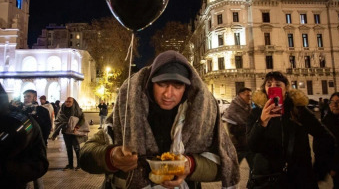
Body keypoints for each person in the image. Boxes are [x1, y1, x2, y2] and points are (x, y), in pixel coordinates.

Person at [80, 50, 240, 188]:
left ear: (186, 88)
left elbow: (226, 163)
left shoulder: (202, 118)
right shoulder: (127, 112)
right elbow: (85, 154)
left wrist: (190, 166)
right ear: (151, 84)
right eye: (162, 84)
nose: (169, 94)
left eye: (177, 86)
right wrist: (111, 156)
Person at [246, 71, 335, 189]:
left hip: (298, 179)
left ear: (286, 88)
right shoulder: (256, 112)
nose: (273, 87)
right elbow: (251, 145)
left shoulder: (299, 110)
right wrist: (262, 121)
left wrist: (318, 170)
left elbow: (326, 138)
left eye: (278, 85)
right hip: (267, 179)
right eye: (269, 84)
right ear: (265, 88)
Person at [0, 84, 49, 189]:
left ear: (35, 98)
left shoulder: (40, 111)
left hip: (32, 142)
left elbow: (46, 126)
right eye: (25, 96)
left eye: (28, 96)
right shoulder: (20, 111)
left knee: (37, 180)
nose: (26, 98)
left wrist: (43, 139)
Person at [314, 92, 339, 188]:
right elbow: (319, 145)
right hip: (334, 168)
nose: (335, 105)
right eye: (332, 102)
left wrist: (336, 167)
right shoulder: (326, 121)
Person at [222, 87, 254, 170]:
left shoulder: (247, 106)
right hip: (238, 145)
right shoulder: (234, 107)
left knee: (254, 167)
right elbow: (232, 130)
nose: (250, 98)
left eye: (250, 96)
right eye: (247, 95)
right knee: (233, 169)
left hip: (247, 144)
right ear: (240, 95)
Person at [52, 97, 85, 170]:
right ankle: (70, 164)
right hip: (66, 131)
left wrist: (77, 126)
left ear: (73, 102)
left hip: (74, 132)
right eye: (66, 101)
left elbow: (82, 119)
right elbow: (58, 120)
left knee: (77, 148)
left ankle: (79, 164)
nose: (67, 103)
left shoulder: (77, 110)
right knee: (68, 148)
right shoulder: (62, 110)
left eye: (69, 102)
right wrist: (56, 132)